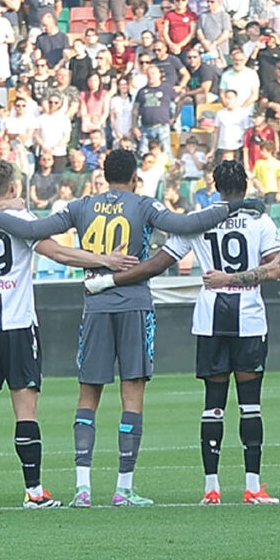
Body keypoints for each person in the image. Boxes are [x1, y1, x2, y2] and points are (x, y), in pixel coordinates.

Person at [0, 159, 131, 507]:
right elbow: (58, 253)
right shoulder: (22, 222)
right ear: (13, 189)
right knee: (25, 407)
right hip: (17, 324)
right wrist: (105, 260)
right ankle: (34, 491)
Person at [49, 147, 225, 505]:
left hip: (95, 307)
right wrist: (234, 205)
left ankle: (82, 488)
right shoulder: (143, 205)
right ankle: (123, 488)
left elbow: (35, 231)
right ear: (134, 177)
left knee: (88, 396)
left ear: (103, 174)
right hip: (134, 305)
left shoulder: (82, 206)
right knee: (132, 395)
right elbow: (186, 225)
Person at [173, 159, 280, 504]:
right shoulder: (261, 221)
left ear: (215, 187)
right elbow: (275, 267)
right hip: (249, 319)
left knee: (212, 405)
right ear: (246, 186)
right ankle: (252, 486)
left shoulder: (201, 220)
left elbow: (166, 257)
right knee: (250, 405)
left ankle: (211, 487)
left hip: (211, 316)